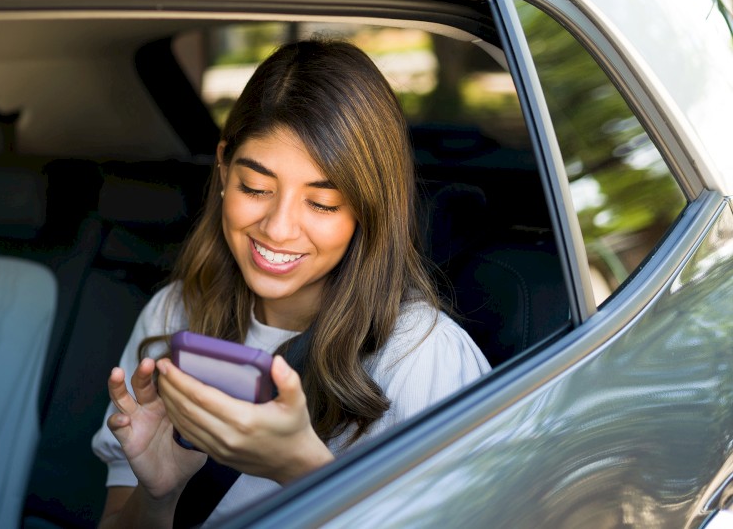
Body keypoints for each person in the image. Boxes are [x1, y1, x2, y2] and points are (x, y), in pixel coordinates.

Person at [91, 38, 491, 528]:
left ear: (369, 207)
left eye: (322, 203)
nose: (278, 229)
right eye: (256, 188)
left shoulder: (422, 358)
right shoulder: (174, 314)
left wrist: (299, 469)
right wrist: (159, 496)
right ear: (222, 168)